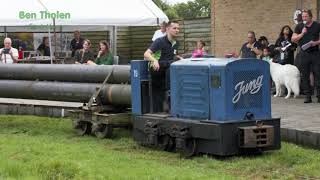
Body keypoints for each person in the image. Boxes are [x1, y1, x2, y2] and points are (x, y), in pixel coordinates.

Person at [144, 21, 182, 112]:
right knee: (171, 67)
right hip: (157, 69)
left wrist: (179, 57)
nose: (177, 30)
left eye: (178, 28)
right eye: (174, 28)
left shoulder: (176, 43)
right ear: (168, 29)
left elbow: (171, 56)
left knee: (173, 66)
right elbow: (146, 54)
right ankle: (169, 98)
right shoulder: (159, 41)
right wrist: (154, 60)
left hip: (167, 67)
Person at [292, 9, 320, 103]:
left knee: (318, 73)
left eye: (306, 16)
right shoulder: (299, 26)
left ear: (311, 16)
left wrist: (316, 42)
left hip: (315, 53)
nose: (304, 18)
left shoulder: (317, 25)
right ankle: (308, 96)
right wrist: (302, 33)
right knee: (305, 75)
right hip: (304, 53)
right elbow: (293, 39)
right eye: (303, 16)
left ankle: (319, 95)